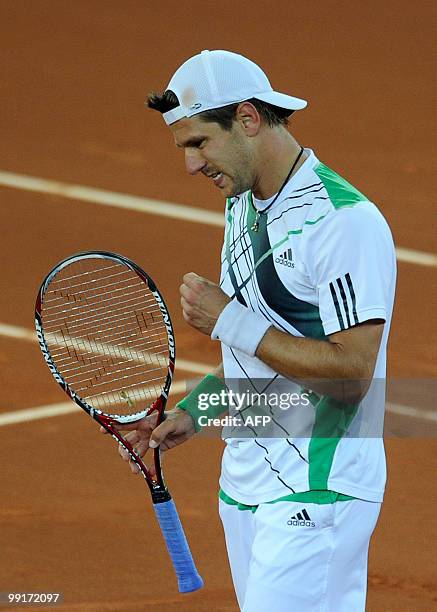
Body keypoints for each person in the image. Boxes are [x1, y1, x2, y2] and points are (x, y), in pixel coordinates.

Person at [114, 50, 396, 611]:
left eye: (199, 143)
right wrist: (194, 412)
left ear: (247, 118)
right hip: (246, 487)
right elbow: (263, 356)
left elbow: (352, 372)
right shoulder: (243, 205)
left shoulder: (341, 222)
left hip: (317, 490)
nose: (192, 166)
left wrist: (229, 320)